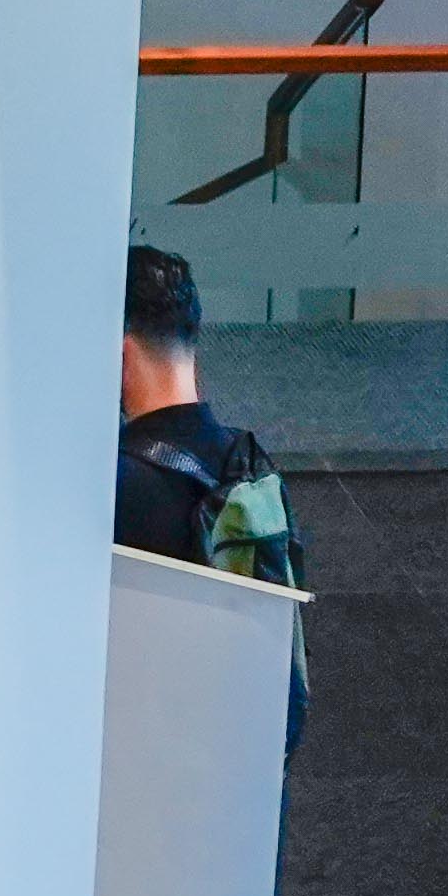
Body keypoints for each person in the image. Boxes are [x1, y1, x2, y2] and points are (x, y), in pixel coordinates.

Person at [119, 242, 314, 743]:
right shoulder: (250, 468)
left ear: (119, 350)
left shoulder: (116, 483)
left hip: (151, 788)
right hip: (247, 786)